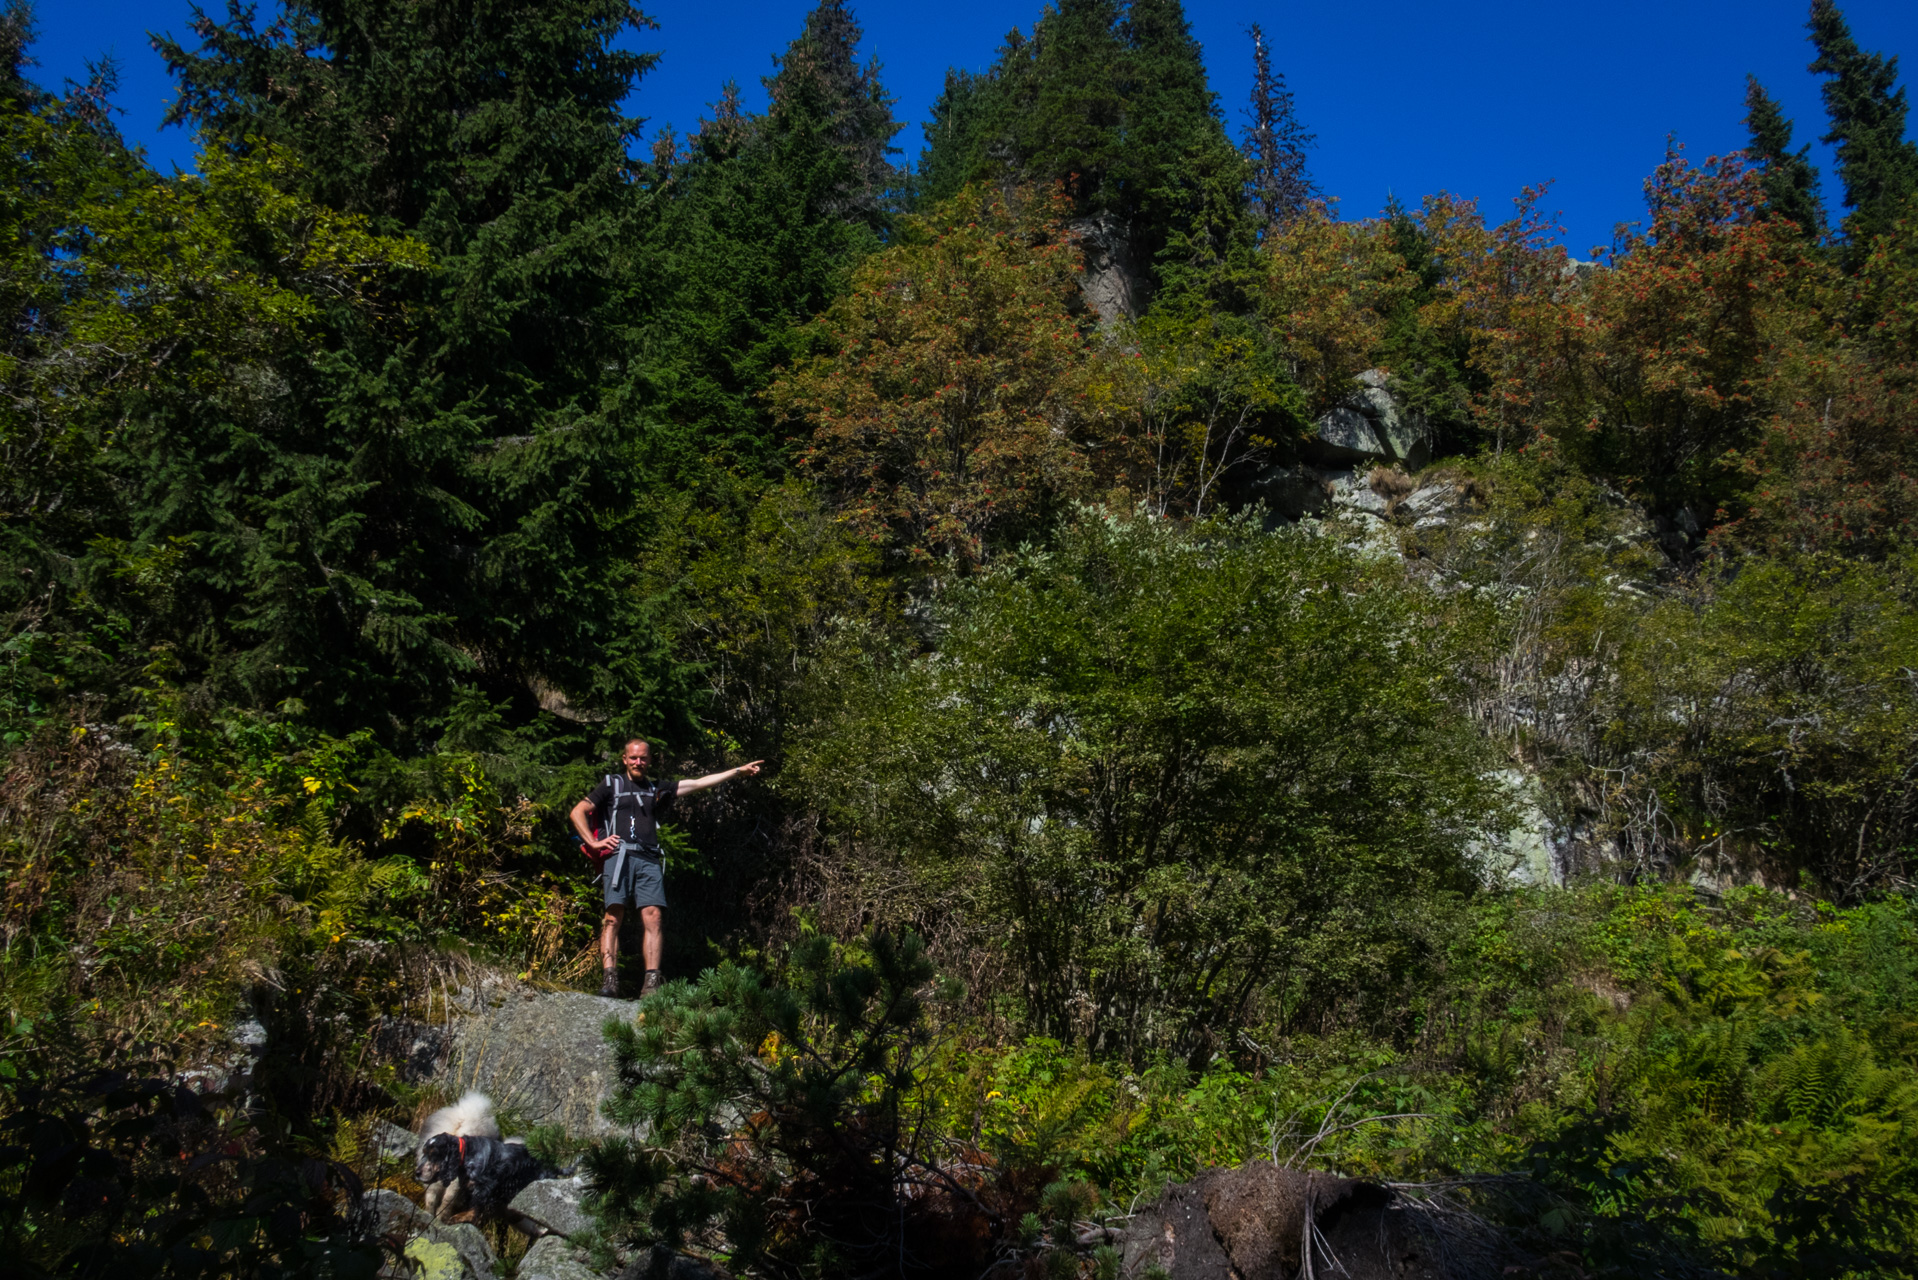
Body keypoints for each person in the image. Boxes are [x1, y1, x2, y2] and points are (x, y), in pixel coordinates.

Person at [569, 739, 762, 997]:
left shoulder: (656, 788)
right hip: (618, 856)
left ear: (650, 760)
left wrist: (737, 771)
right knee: (613, 916)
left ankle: (651, 984)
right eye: (634, 758)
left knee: (654, 917)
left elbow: (697, 783)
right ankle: (610, 980)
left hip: (648, 858)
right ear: (625, 759)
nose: (638, 762)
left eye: (643, 758)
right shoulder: (611, 784)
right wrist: (593, 843)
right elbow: (578, 811)